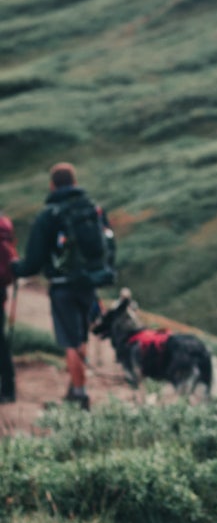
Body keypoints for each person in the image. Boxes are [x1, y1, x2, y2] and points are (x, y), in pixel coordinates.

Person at [11, 163, 111, 411]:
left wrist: (15, 267)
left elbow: (33, 261)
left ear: (52, 185)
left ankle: (79, 395)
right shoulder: (92, 209)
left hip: (62, 287)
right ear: (75, 182)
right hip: (89, 283)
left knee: (70, 341)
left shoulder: (49, 215)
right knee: (82, 335)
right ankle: (75, 386)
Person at [0, 212, 18, 403]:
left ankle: (7, 390)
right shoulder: (4, 225)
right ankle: (8, 388)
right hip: (0, 291)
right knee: (1, 342)